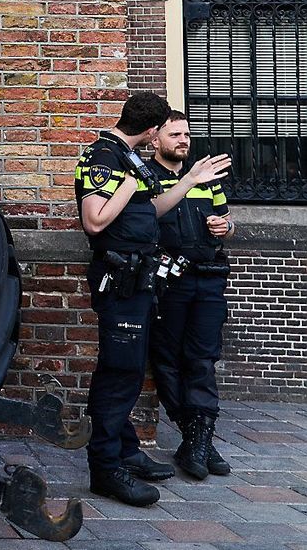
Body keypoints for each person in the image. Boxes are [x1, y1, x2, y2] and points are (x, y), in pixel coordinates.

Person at [74, 92, 229, 507]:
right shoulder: (103, 157)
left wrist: (189, 183)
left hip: (140, 283)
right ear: (151, 131)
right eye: (165, 129)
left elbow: (151, 210)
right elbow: (94, 221)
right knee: (120, 373)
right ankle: (107, 469)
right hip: (120, 281)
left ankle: (124, 451)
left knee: (124, 368)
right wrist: (126, 184)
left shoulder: (129, 156)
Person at [148, 111, 235, 480]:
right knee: (167, 359)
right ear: (155, 140)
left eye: (186, 134)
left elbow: (228, 223)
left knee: (203, 358)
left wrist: (223, 226)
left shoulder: (208, 179)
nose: (183, 140)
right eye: (174, 134)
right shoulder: (146, 177)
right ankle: (196, 438)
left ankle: (198, 441)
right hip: (170, 283)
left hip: (209, 279)